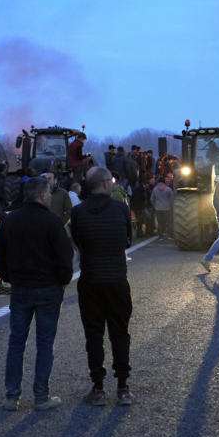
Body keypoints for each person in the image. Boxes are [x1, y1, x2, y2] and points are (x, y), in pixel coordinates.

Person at [0, 177, 74, 412]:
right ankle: (41, 397)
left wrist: (9, 277)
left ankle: (11, 396)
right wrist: (62, 282)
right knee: (45, 344)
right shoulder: (52, 222)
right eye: (48, 192)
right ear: (41, 195)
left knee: (16, 342)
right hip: (48, 289)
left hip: (20, 289)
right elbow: (64, 258)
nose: (50, 196)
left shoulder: (9, 221)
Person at [71, 167, 133, 407]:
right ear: (106, 184)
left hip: (90, 280)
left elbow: (77, 241)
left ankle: (98, 388)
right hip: (117, 279)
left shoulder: (78, 211)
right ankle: (123, 387)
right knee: (120, 332)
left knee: (94, 334)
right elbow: (128, 238)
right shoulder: (120, 208)